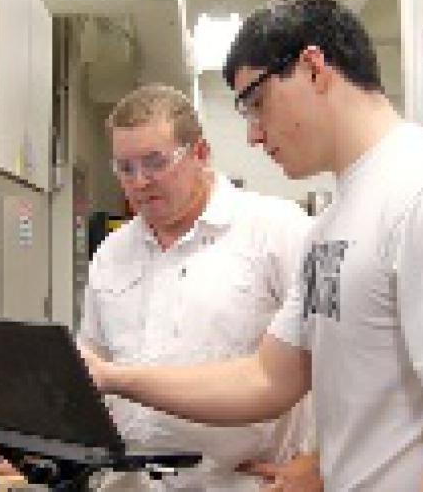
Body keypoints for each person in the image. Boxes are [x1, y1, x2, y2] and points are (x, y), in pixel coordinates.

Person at [81, 0, 423, 491]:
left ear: (313, 68)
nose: (254, 135)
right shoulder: (332, 223)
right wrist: (113, 378)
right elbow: (267, 379)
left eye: (256, 103)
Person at [79, 83, 319, 491]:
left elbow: (346, 361)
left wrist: (321, 463)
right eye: (125, 168)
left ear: (201, 154)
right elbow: (92, 368)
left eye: (155, 163)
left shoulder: (276, 230)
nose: (139, 182)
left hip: (239, 483)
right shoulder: (112, 253)